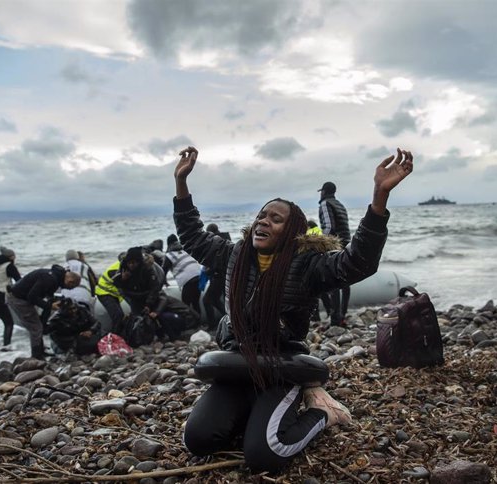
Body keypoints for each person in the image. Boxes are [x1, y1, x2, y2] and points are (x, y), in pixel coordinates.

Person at [173, 145, 413, 474]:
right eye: (262, 215)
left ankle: (323, 414)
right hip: (237, 361)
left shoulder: (308, 266)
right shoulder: (232, 255)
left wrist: (378, 197)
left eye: (276, 219)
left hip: (281, 367)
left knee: (266, 455)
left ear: (291, 231)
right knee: (196, 440)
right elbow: (191, 235)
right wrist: (181, 183)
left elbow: (359, 261)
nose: (264, 222)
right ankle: (248, 411)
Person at [6, 265, 81, 359]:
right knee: (36, 327)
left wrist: (52, 302)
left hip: (23, 297)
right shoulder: (50, 279)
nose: (70, 289)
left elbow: (47, 295)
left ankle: (41, 351)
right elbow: (32, 297)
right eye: (72, 287)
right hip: (18, 299)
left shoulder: (56, 277)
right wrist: (50, 306)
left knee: (38, 325)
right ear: (70, 281)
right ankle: (36, 355)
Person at [318, 181, 352, 326]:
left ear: (324, 192)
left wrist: (321, 244)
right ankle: (342, 315)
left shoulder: (325, 204)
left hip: (335, 244)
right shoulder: (340, 205)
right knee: (345, 281)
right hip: (347, 244)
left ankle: (335, 319)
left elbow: (329, 227)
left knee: (333, 281)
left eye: (321, 192)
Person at [163, 233, 203, 316]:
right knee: (195, 302)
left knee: (185, 304)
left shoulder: (169, 255)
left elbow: (163, 271)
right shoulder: (185, 250)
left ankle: (192, 323)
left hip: (188, 279)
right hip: (199, 276)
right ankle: (200, 323)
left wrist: (164, 282)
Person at [202, 224, 230, 328]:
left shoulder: (215, 241)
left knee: (207, 300)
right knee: (220, 300)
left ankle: (212, 325)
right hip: (228, 275)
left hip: (218, 276)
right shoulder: (227, 240)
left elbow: (217, 260)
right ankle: (228, 319)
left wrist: (209, 271)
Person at [95, 254, 127, 335]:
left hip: (112, 293)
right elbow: (123, 287)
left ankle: (118, 335)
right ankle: (114, 338)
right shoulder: (117, 271)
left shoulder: (124, 266)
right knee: (118, 316)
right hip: (104, 292)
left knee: (121, 315)